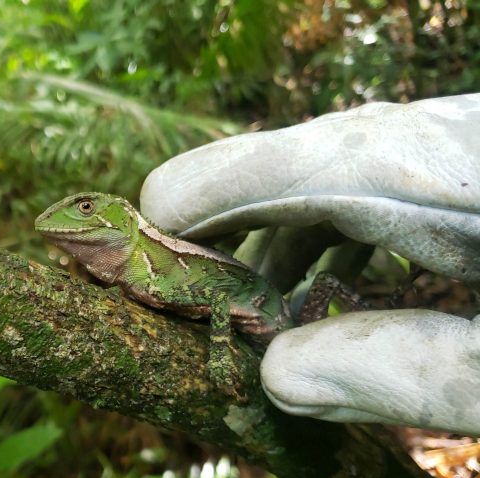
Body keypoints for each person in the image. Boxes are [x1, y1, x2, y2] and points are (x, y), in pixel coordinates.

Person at [139, 94, 480, 435]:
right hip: (285, 330)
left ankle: (376, 315)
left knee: (326, 282)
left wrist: (218, 351)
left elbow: (217, 302)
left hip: (291, 331)